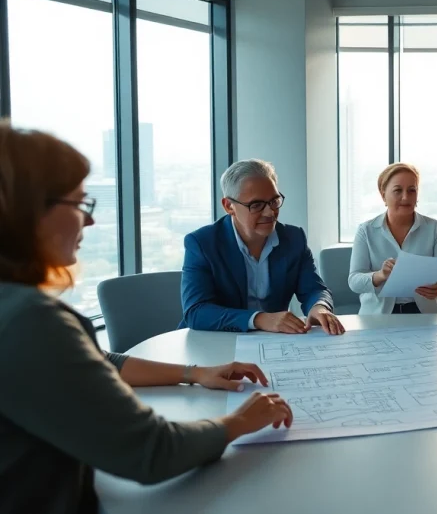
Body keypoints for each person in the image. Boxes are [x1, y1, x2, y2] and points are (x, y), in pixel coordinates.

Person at [0, 124, 294, 514]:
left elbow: (99, 362)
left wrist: (195, 372)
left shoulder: (14, 307)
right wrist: (240, 422)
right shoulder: (28, 321)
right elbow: (153, 452)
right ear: (28, 212)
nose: (88, 222)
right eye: (78, 204)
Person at [180, 159, 344, 335]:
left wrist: (319, 307)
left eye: (274, 201)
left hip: (273, 342)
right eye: (256, 205)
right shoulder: (202, 243)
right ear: (229, 206)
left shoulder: (294, 238)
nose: (270, 212)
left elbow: (314, 289)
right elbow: (196, 312)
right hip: (213, 343)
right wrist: (260, 319)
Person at [348, 163, 437, 314]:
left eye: (412, 190)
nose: (406, 197)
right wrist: (381, 275)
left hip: (427, 312)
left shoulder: (435, 228)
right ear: (383, 194)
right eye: (398, 190)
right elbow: (354, 281)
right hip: (379, 315)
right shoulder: (366, 231)